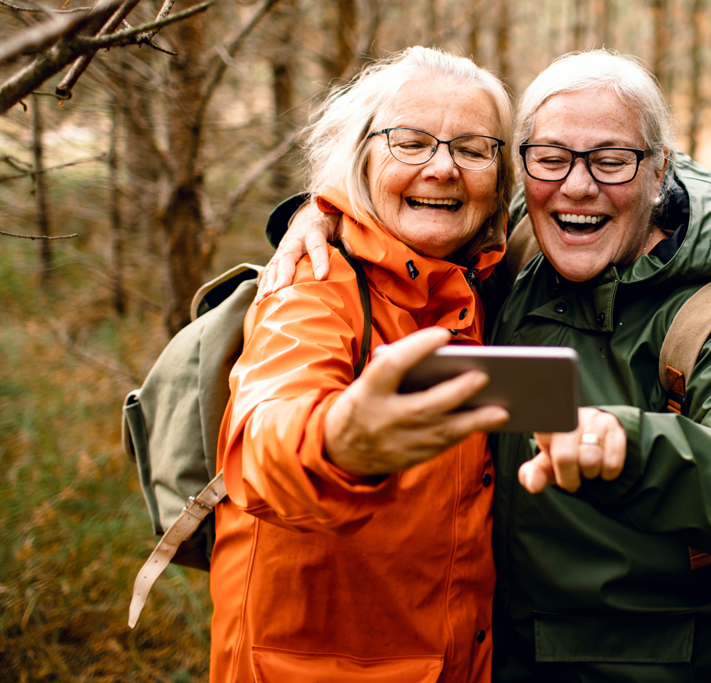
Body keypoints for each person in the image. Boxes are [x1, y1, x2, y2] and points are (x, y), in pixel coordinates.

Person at [260, 50, 711, 682]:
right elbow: (418, 195)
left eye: (611, 161)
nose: (578, 186)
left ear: (659, 169)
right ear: (522, 167)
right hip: (489, 656)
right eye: (552, 158)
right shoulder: (519, 248)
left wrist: (632, 446)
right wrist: (322, 211)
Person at [209, 46, 522, 683]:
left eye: (472, 148)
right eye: (410, 141)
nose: (443, 168)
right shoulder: (315, 284)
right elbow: (264, 434)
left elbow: (621, 161)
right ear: (362, 157)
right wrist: (339, 442)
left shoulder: (487, 282)